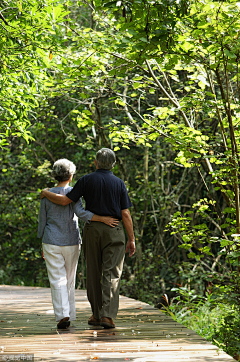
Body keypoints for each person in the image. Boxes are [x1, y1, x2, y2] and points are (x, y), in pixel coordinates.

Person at [41, 148, 135, 329]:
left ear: (96, 162)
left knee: (93, 272)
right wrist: (131, 238)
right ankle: (107, 316)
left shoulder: (86, 180)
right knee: (112, 273)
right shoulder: (119, 183)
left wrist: (45, 192)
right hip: (114, 228)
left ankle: (96, 314)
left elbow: (65, 200)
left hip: (92, 230)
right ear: (113, 164)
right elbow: (125, 213)